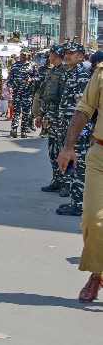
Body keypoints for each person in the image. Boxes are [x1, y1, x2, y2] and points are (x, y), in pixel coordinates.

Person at [56, 48, 103, 303]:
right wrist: (68, 146)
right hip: (100, 154)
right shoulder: (101, 73)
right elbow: (85, 108)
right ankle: (98, 273)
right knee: (93, 220)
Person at [54, 42, 92, 216]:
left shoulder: (82, 75)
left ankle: (79, 204)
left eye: (72, 53)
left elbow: (82, 108)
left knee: (78, 166)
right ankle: (74, 200)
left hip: (78, 129)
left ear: (81, 56)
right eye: (66, 52)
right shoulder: (70, 73)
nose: (67, 55)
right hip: (68, 125)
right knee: (71, 164)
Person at [39, 46, 69, 194]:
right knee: (53, 151)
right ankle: (56, 180)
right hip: (51, 117)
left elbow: (65, 98)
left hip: (60, 118)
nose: (49, 57)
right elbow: (45, 94)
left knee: (63, 150)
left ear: (56, 55)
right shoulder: (52, 71)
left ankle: (66, 183)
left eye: (50, 54)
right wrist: (41, 114)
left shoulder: (65, 72)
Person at [8, 48, 38, 138]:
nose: (23, 56)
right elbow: (10, 79)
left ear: (28, 55)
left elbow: (38, 78)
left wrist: (31, 79)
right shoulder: (15, 65)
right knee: (16, 111)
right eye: (22, 54)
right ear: (20, 55)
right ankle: (14, 129)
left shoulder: (32, 65)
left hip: (27, 92)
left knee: (26, 112)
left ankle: (24, 130)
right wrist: (11, 86)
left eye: (25, 54)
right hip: (17, 92)